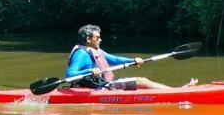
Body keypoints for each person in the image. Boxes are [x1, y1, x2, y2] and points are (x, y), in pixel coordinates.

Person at [66, 24, 196, 90]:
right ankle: (176, 92)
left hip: (104, 85)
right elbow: (69, 74)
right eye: (97, 37)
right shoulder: (81, 53)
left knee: (141, 83)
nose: (100, 40)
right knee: (141, 81)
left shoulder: (96, 50)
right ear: (88, 39)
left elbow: (115, 60)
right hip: (99, 88)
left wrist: (133, 60)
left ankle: (172, 91)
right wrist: (88, 71)